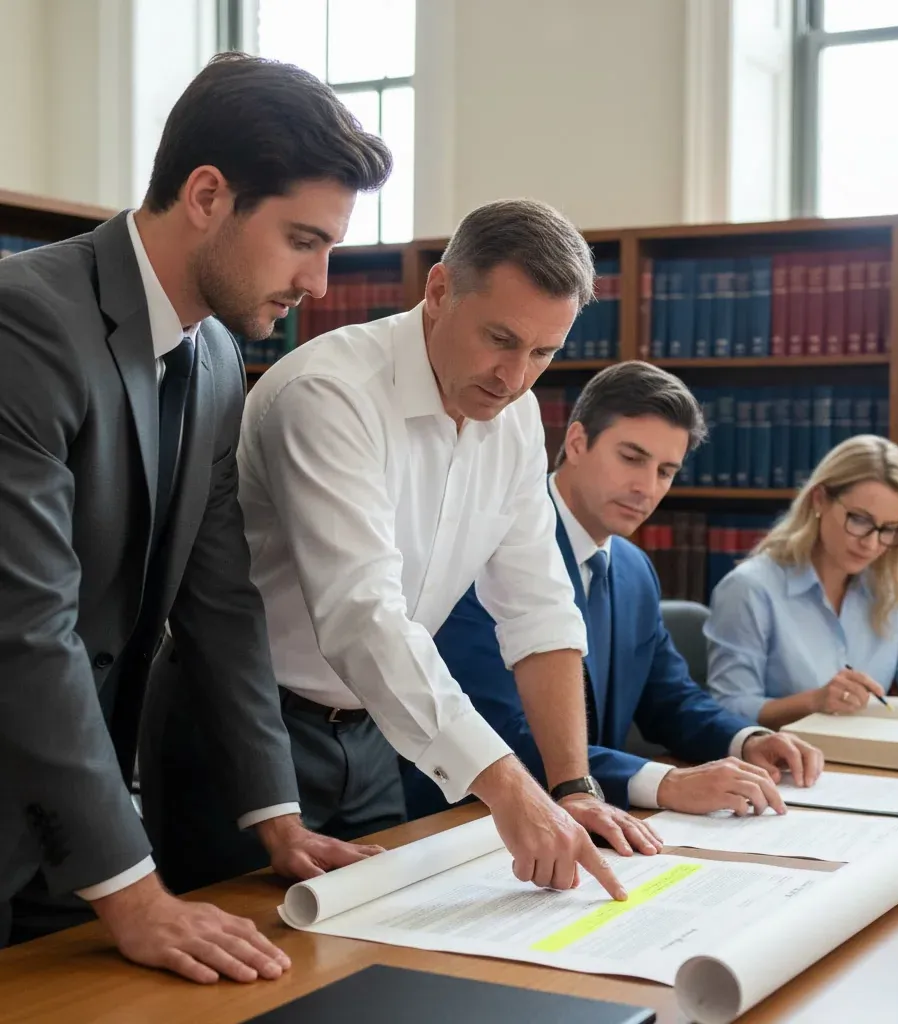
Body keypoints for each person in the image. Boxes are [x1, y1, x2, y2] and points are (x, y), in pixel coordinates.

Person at [0, 53, 398, 984]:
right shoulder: (23, 326)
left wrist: (277, 815)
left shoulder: (217, 356)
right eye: (304, 239)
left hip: (83, 836)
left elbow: (222, 601)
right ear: (209, 195)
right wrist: (133, 888)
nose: (322, 282)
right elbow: (24, 632)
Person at [145, 198, 663, 905]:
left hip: (374, 734)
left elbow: (539, 610)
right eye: (499, 339)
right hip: (242, 732)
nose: (514, 378)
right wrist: (511, 787)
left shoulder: (511, 421)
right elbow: (365, 618)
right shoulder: (330, 393)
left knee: (377, 950)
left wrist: (571, 786)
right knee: (235, 980)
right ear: (441, 290)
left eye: (543, 353)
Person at [404, 362, 823, 823]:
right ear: (578, 442)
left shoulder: (632, 567)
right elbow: (502, 733)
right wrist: (665, 782)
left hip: (586, 821)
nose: (647, 487)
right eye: (631, 457)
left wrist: (747, 740)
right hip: (469, 825)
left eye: (666, 471)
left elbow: (671, 698)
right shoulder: (490, 550)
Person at [705, 435, 898, 744]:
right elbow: (728, 707)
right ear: (819, 500)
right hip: (779, 774)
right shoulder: (750, 588)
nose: (871, 543)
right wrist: (813, 702)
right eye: (859, 520)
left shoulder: (888, 589)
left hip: (868, 771)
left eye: (888, 529)